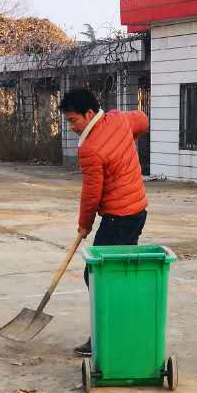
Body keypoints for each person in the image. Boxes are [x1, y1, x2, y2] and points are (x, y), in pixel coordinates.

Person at [61, 87, 149, 356]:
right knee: (119, 274)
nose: (72, 127)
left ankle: (105, 335)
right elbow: (143, 120)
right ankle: (126, 327)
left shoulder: (90, 149)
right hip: (138, 212)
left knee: (97, 276)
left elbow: (91, 193)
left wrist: (84, 224)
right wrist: (124, 141)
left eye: (74, 120)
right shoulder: (118, 119)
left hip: (118, 218)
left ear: (89, 114)